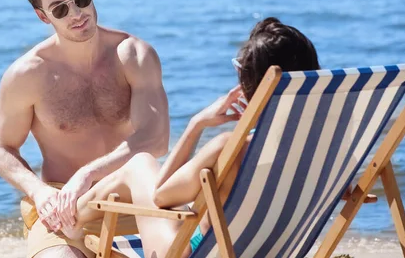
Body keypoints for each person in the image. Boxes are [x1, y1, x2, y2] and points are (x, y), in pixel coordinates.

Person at [61, 17, 322, 258]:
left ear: (250, 83)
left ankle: (69, 220)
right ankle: (73, 215)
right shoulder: (324, 149)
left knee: (140, 164)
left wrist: (196, 125)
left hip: (191, 254)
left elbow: (162, 198)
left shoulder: (230, 149)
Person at [0, 0, 170, 258]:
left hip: (130, 197)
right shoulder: (28, 74)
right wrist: (39, 191)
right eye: (60, 9)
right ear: (43, 16)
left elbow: (156, 140)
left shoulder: (133, 55)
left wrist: (87, 173)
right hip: (65, 210)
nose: (76, 13)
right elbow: (2, 149)